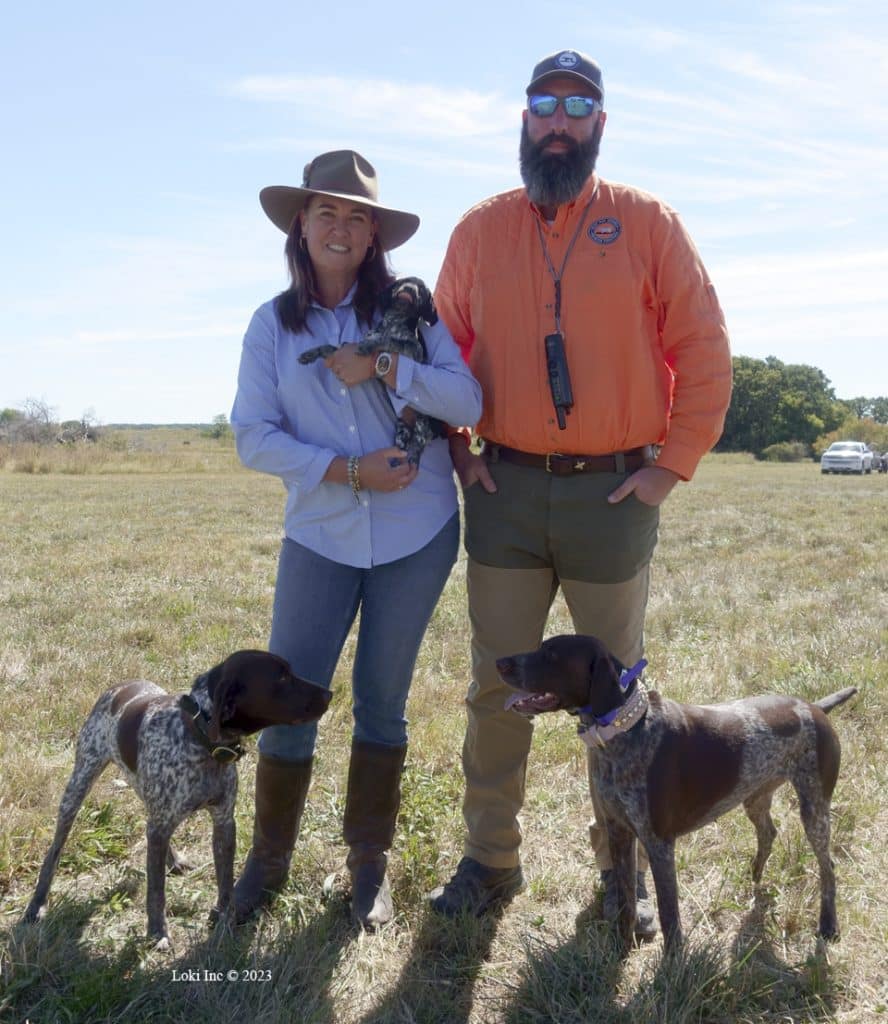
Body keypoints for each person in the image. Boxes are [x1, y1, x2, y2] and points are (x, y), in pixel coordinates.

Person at [429, 50, 733, 935]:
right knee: (499, 685)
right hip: (506, 489)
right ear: (522, 119)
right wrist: (455, 444)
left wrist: (669, 465)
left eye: (576, 106)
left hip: (613, 496)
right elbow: (439, 351)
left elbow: (704, 348)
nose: (557, 121)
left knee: (614, 705)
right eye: (542, 105)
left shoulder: (646, 222)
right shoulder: (480, 229)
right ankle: (490, 862)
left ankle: (618, 879)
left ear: (599, 123)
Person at [230, 150, 482, 929]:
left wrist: (383, 364)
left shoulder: (414, 311)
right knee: (287, 694)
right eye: (326, 213)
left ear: (375, 236)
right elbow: (252, 435)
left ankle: (367, 863)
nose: (341, 228)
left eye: (357, 217)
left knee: (383, 700)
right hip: (320, 533)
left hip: (418, 532)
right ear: (301, 227)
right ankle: (268, 860)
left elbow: (467, 395)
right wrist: (345, 469)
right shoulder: (272, 324)